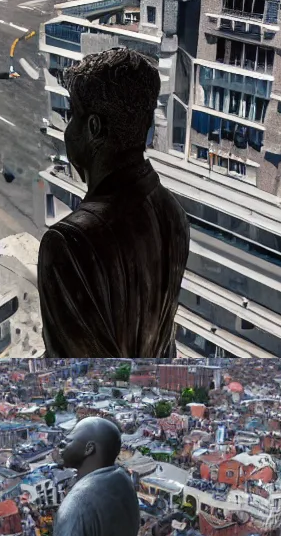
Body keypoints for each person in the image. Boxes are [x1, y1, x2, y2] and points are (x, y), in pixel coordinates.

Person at [37, 51, 189, 359]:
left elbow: (78, 377)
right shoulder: (173, 212)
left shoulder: (68, 243)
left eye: (71, 115)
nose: (67, 130)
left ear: (93, 128)